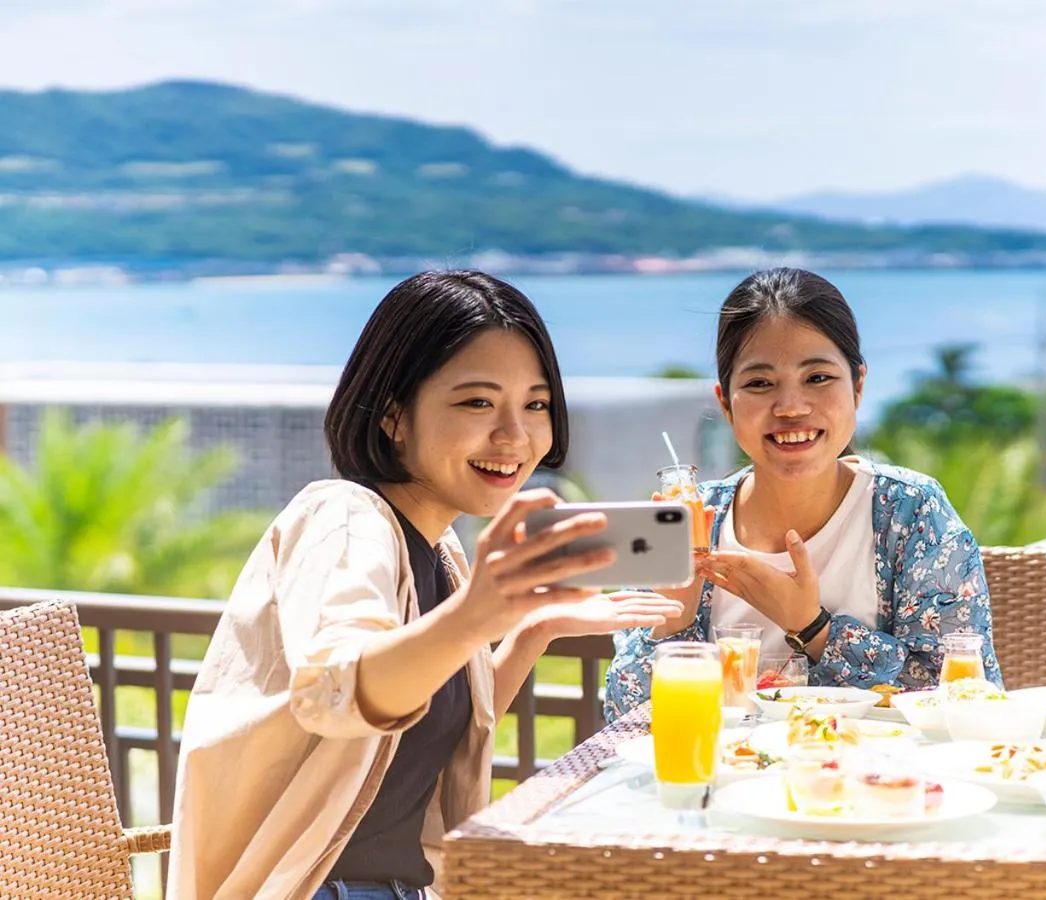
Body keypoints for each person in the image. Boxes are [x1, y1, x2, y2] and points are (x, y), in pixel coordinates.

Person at [167, 271, 681, 900]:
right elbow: (334, 690)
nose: (514, 436)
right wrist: (474, 614)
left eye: (536, 404)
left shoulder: (437, 547)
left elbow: (416, 715)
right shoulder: (345, 517)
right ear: (393, 416)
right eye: (476, 402)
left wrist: (526, 632)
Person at [605, 267, 1001, 722]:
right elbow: (623, 722)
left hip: (872, 785)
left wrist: (814, 627)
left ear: (858, 386)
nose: (791, 407)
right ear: (725, 403)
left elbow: (971, 702)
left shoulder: (909, 512)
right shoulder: (684, 522)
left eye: (817, 378)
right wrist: (673, 615)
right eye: (759, 383)